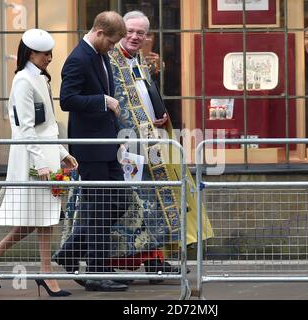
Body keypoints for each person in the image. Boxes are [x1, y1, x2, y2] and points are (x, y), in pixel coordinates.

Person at [108, 10, 213, 273]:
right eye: (129, 31)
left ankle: (155, 260)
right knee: (135, 205)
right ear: (120, 31)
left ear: (147, 36)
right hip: (126, 147)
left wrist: (160, 115)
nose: (134, 37)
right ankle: (118, 263)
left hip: (153, 144)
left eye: (140, 33)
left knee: (157, 201)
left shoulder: (141, 60)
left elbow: (145, 96)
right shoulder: (108, 61)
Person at [0, 28, 78, 297]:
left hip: (45, 156)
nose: (50, 58)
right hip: (35, 158)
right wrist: (43, 160)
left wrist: (60, 153)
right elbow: (26, 128)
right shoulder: (23, 80)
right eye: (46, 54)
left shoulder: (39, 79)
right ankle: (44, 273)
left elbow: (47, 126)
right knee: (44, 218)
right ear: (31, 53)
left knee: (44, 217)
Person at [57, 11, 129, 292]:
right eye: (111, 42)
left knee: (118, 202)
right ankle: (98, 273)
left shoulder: (100, 56)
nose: (113, 47)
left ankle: (70, 253)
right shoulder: (78, 58)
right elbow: (67, 100)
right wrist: (102, 101)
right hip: (89, 149)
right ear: (99, 32)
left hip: (107, 145)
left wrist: (116, 136)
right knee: (98, 209)